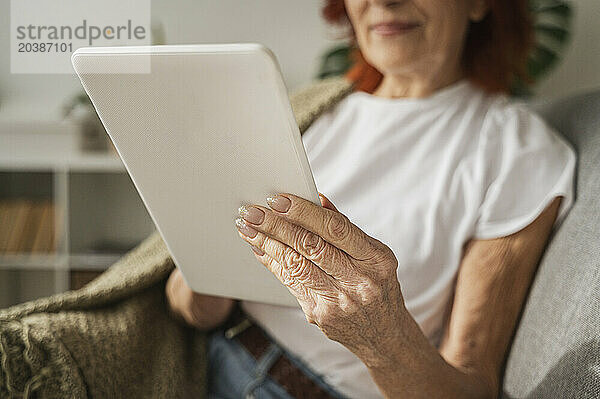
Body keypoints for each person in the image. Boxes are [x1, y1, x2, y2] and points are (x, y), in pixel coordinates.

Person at [166, 0, 576, 398]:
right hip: (195, 360)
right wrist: (204, 282)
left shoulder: (517, 152)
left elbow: (471, 387)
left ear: (479, 4)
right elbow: (184, 301)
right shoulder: (310, 110)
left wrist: (381, 337)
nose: (383, 1)